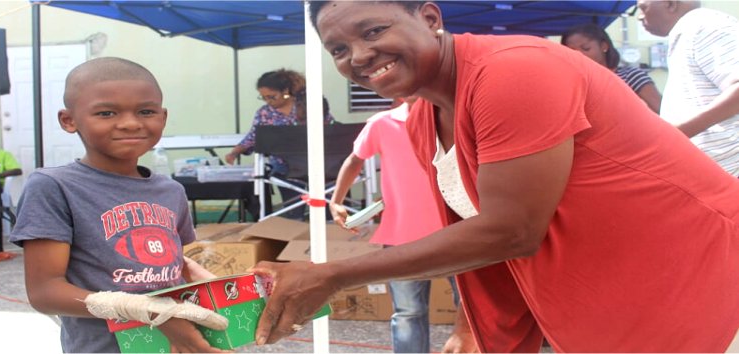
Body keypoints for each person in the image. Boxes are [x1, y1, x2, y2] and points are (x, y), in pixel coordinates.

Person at [248, 1, 739, 352]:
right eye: (337, 49)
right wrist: (472, 328)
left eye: (373, 31)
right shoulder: (426, 116)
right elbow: (478, 234)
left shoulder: (514, 72)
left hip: (703, 277)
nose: (356, 56)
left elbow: (512, 230)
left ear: (429, 17)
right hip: (623, 298)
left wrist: (330, 274)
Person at [8, 57, 228, 353]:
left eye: (146, 111)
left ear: (162, 117)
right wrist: (144, 310)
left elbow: (179, 269)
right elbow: (45, 292)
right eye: (106, 112)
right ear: (69, 120)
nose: (130, 123)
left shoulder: (171, 191)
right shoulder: (54, 187)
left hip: (176, 344)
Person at [329, 97, 475, 353]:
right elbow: (355, 159)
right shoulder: (382, 123)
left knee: (470, 307)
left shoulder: (452, 117)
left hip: (456, 231)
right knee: (408, 312)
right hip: (403, 234)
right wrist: (336, 200)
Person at [637, 0, 739, 176]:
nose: (639, 16)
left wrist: (678, 131)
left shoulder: (706, 25)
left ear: (670, 4)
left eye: (644, 8)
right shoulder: (688, 31)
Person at [224, 69, 336, 220]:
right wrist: (235, 152)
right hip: (286, 168)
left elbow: (331, 131)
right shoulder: (264, 113)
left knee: (326, 207)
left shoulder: (311, 105)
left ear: (285, 91)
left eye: (271, 97)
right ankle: (294, 226)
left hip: (321, 165)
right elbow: (254, 137)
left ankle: (330, 226)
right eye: (263, 98)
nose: (268, 101)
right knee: (293, 211)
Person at [560, 22, 662, 113]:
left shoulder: (631, 76)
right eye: (571, 52)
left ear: (604, 46)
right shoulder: (572, 84)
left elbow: (662, 110)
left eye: (586, 48)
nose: (579, 55)